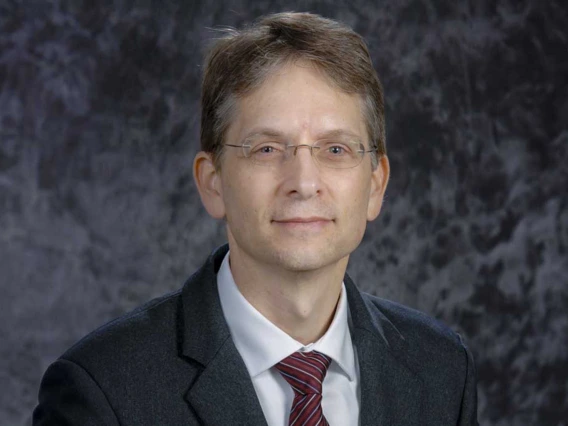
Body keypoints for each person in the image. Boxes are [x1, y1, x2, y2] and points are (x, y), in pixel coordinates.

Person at [33, 12, 478, 426]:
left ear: (375, 185)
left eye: (336, 149)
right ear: (213, 183)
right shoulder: (103, 390)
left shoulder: (441, 369)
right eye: (266, 149)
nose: (304, 182)